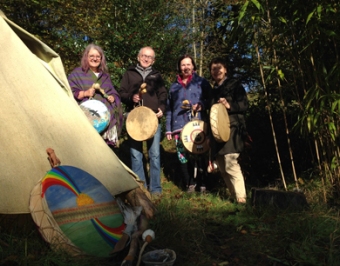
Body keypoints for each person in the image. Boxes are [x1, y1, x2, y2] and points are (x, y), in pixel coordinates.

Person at [120, 46, 167, 197]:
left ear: (153, 60)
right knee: (136, 154)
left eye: (150, 57)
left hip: (152, 119)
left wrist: (162, 108)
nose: (146, 59)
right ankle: (141, 189)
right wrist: (131, 97)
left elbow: (163, 94)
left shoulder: (156, 76)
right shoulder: (129, 73)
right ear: (138, 57)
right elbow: (121, 92)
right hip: (134, 120)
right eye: (144, 56)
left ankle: (155, 189)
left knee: (154, 154)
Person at [165, 55, 211, 192]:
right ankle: (189, 183)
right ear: (179, 67)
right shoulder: (173, 87)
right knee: (182, 156)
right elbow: (169, 109)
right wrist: (168, 129)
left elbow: (211, 100)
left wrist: (201, 105)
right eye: (183, 65)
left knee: (201, 154)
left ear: (193, 66)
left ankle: (203, 183)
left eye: (188, 64)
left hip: (198, 125)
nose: (186, 67)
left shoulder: (202, 82)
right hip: (179, 126)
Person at [208, 57, 248, 203]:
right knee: (223, 167)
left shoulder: (235, 85)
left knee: (231, 163)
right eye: (213, 69)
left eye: (219, 68)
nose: (216, 71)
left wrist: (229, 104)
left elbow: (244, 105)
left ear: (225, 69)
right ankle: (234, 197)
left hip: (233, 129)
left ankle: (241, 198)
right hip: (217, 133)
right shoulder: (214, 91)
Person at [68, 43, 123, 147]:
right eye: (91, 56)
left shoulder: (105, 76)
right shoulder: (77, 73)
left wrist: (112, 97)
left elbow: (114, 93)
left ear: (101, 59)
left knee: (104, 152)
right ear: (86, 57)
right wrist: (85, 93)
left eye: (98, 56)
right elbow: (69, 91)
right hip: (85, 120)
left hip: (105, 122)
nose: (95, 59)